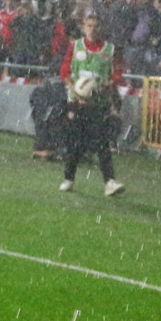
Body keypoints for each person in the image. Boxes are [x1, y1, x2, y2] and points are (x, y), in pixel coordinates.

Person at [58, 14, 126, 196]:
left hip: (98, 103)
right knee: (75, 143)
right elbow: (64, 69)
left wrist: (108, 84)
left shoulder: (109, 50)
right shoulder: (75, 46)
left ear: (100, 28)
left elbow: (118, 72)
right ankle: (68, 178)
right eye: (89, 26)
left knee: (102, 143)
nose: (92, 29)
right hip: (77, 102)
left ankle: (109, 182)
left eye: (95, 26)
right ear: (84, 27)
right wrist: (74, 88)